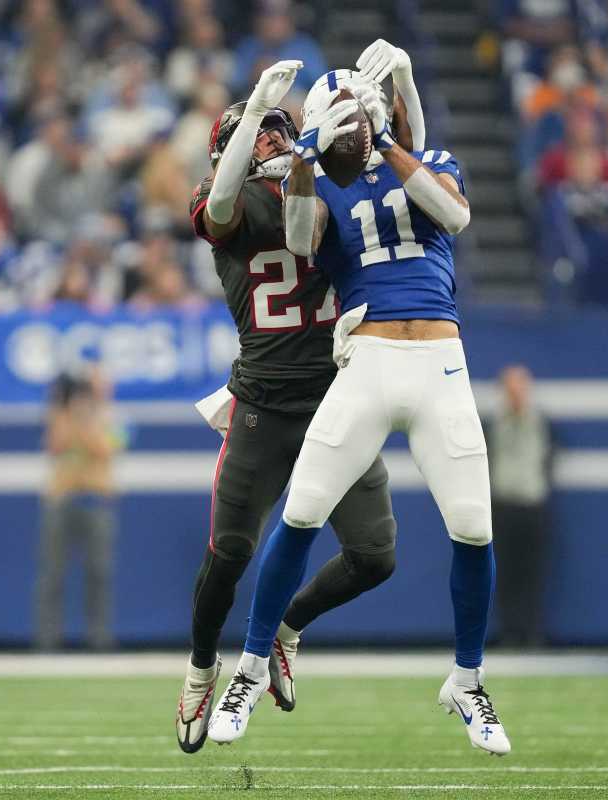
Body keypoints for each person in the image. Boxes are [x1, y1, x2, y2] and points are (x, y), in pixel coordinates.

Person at [212, 61, 511, 755]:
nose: (353, 118)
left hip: (440, 362)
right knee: (303, 510)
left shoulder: (430, 159)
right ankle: (253, 666)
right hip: (369, 361)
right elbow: (296, 240)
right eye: (339, 109)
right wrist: (311, 154)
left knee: (472, 526)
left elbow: (455, 215)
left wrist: (386, 138)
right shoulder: (322, 184)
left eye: (361, 107)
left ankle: (467, 680)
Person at [174, 45, 425, 754]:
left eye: (284, 130)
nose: (278, 140)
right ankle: (200, 671)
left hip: (337, 398)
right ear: (231, 149)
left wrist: (391, 94)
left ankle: (285, 628)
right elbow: (220, 203)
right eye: (263, 133)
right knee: (228, 553)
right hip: (260, 403)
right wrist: (252, 108)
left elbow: (405, 161)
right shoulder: (234, 201)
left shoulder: (328, 187)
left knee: (376, 555)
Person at [35, 369, 123, 651]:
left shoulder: (112, 418)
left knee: (99, 572)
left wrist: (85, 417)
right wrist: (63, 408)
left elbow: (104, 449)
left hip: (96, 501)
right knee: (53, 572)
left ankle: (99, 637)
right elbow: (55, 446)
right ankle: (48, 638)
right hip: (63, 499)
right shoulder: (60, 415)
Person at [485, 365, 554, 648]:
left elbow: (549, 459)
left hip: (532, 505)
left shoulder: (540, 422)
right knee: (505, 571)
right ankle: (510, 632)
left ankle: (532, 632)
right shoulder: (493, 424)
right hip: (503, 506)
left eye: (519, 388)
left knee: (533, 571)